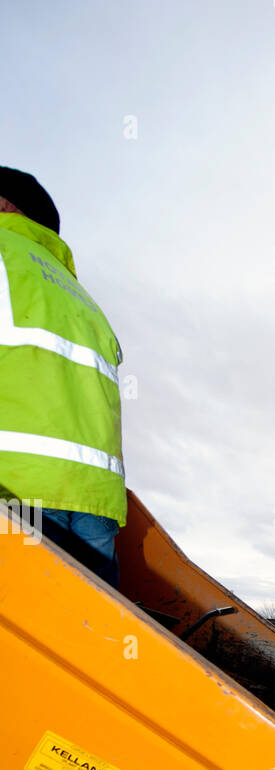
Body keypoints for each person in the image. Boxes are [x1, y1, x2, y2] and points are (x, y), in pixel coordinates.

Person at [0, 168, 125, 585]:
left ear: (6, 205)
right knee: (93, 628)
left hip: (17, 488)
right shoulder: (82, 298)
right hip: (95, 502)